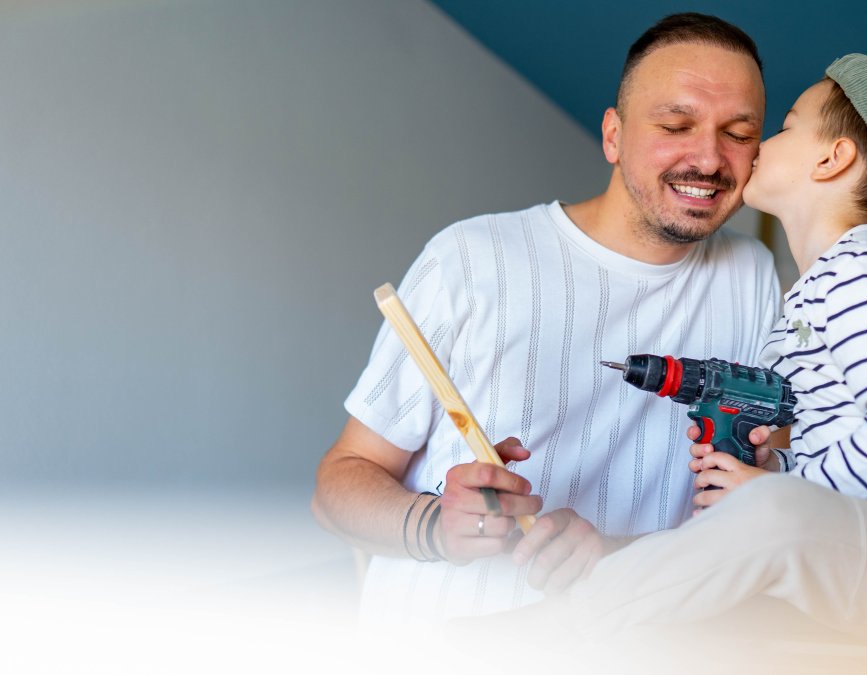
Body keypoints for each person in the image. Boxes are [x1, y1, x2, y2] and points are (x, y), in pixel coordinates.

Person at [311, 13, 780, 623]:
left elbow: (759, 499)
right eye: (675, 126)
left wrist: (610, 555)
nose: (711, 159)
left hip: (630, 644)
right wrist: (434, 525)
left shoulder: (752, 273)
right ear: (613, 136)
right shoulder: (469, 258)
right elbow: (338, 485)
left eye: (739, 134)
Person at [550, 54, 867, 649]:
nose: (758, 146)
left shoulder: (866, 276)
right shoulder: (811, 297)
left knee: (768, 519)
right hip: (866, 555)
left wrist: (777, 494)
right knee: (730, 589)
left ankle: (552, 632)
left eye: (784, 127)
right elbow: (839, 458)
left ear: (832, 158)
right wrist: (775, 470)